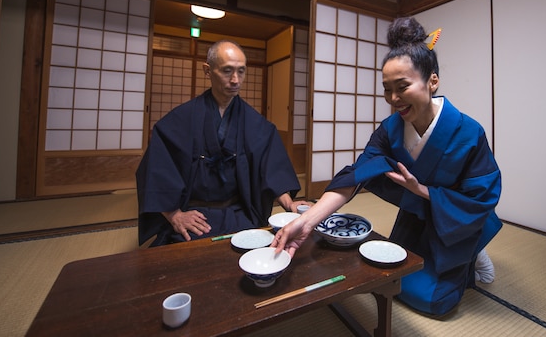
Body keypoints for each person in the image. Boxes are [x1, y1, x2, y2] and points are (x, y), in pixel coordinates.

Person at [272, 17, 502, 316]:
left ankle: (474, 248)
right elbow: (356, 175)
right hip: (417, 216)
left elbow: (481, 196)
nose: (393, 99)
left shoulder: (468, 132)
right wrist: (307, 222)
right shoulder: (390, 130)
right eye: (387, 89)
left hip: (458, 220)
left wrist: (424, 191)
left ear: (433, 81)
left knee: (434, 302)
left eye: (402, 86)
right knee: (388, 277)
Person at [137, 40, 305, 247]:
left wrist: (289, 203)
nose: (235, 80)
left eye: (241, 72)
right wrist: (174, 215)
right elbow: (158, 168)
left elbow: (271, 166)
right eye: (227, 71)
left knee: (258, 250)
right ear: (207, 70)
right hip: (195, 213)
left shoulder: (254, 122)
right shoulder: (180, 120)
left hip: (239, 212)